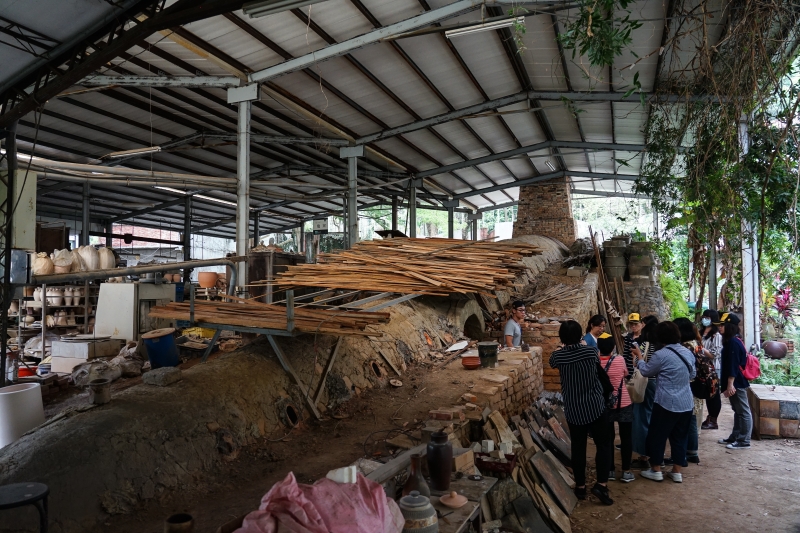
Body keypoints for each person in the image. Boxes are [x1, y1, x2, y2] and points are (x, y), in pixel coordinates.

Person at [549, 320, 614, 505]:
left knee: (578, 448)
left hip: (574, 409)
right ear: (580, 335)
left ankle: (580, 487)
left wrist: (562, 346)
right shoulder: (591, 351)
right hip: (595, 406)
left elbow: (552, 359)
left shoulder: (558, 357)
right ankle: (601, 485)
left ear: (562, 337)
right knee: (603, 445)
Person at [633, 321, 696, 483]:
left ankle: (656, 469)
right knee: (680, 437)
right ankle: (676, 471)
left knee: (657, 436)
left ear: (660, 337)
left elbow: (646, 371)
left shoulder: (661, 355)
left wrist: (639, 358)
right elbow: (692, 374)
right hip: (686, 403)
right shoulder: (687, 352)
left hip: (666, 402)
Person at [597, 333, 634, 483]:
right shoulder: (619, 359)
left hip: (604, 404)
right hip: (623, 402)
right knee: (626, 438)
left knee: (607, 438)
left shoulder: (595, 361)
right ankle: (626, 471)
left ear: (598, 346)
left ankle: (610, 470)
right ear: (613, 346)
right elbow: (625, 374)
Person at [717, 313, 753, 449]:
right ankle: (736, 437)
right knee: (738, 410)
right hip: (735, 382)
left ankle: (744, 441)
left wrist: (730, 384)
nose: (720, 328)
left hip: (737, 382)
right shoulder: (733, 340)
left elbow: (733, 364)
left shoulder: (733, 342)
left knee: (743, 411)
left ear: (729, 326)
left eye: (722, 325)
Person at [673, 317, 705, 464]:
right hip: (696, 385)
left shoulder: (686, 347)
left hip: (689, 386)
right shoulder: (696, 343)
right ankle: (692, 451)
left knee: (689, 419)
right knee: (691, 418)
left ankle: (690, 452)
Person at [630, 315, 659, 469]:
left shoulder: (646, 344)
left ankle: (644, 456)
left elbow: (638, 363)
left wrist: (636, 356)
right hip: (660, 385)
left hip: (646, 383)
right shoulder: (663, 345)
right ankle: (655, 454)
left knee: (641, 417)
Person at [700, 310, 723, 430]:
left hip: (713, 368)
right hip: (702, 368)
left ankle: (713, 420)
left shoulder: (717, 336)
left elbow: (715, 354)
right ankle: (709, 417)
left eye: (707, 318)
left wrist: (701, 349)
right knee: (707, 393)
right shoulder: (701, 333)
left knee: (713, 394)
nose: (705, 319)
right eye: (704, 317)